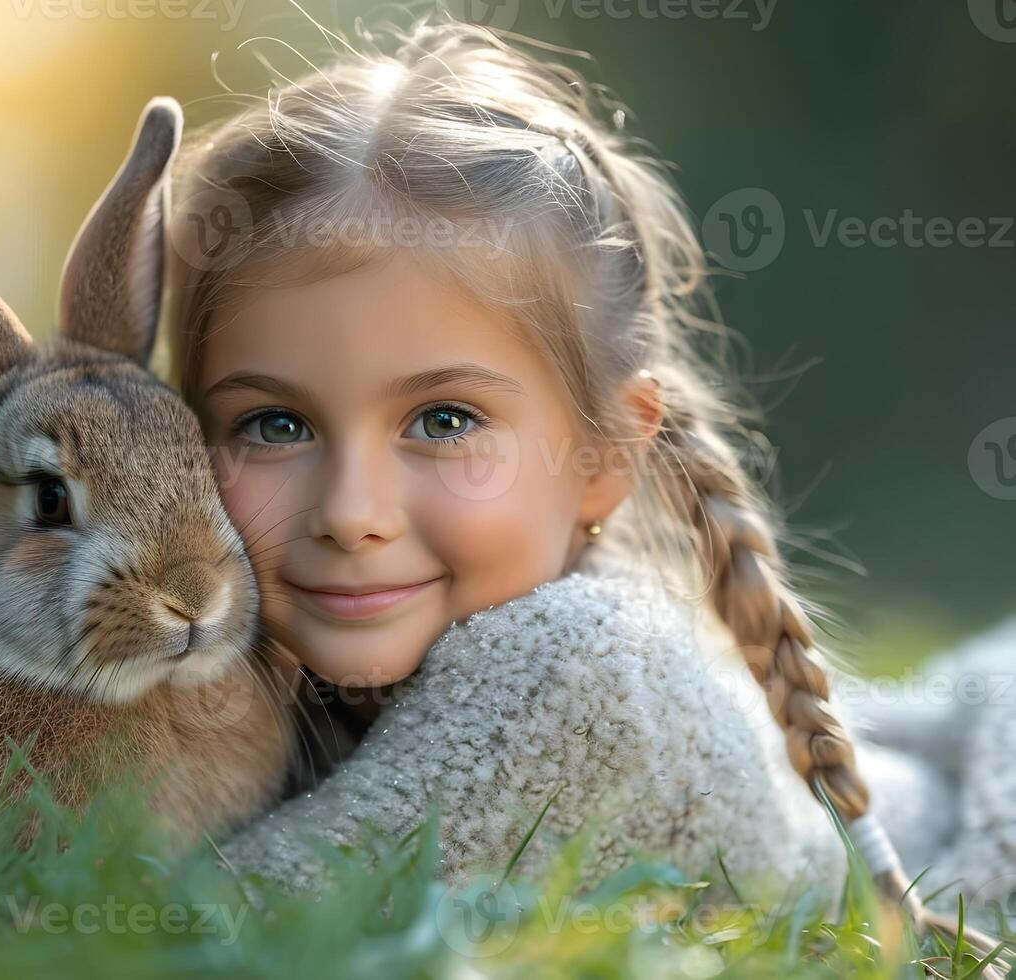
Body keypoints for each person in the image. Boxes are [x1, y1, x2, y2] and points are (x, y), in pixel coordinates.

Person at [156, 16, 1007, 956]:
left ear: (604, 457)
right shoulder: (233, 659)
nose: (353, 512)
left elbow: (216, 922)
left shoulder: (582, 670)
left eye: (444, 421)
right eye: (275, 426)